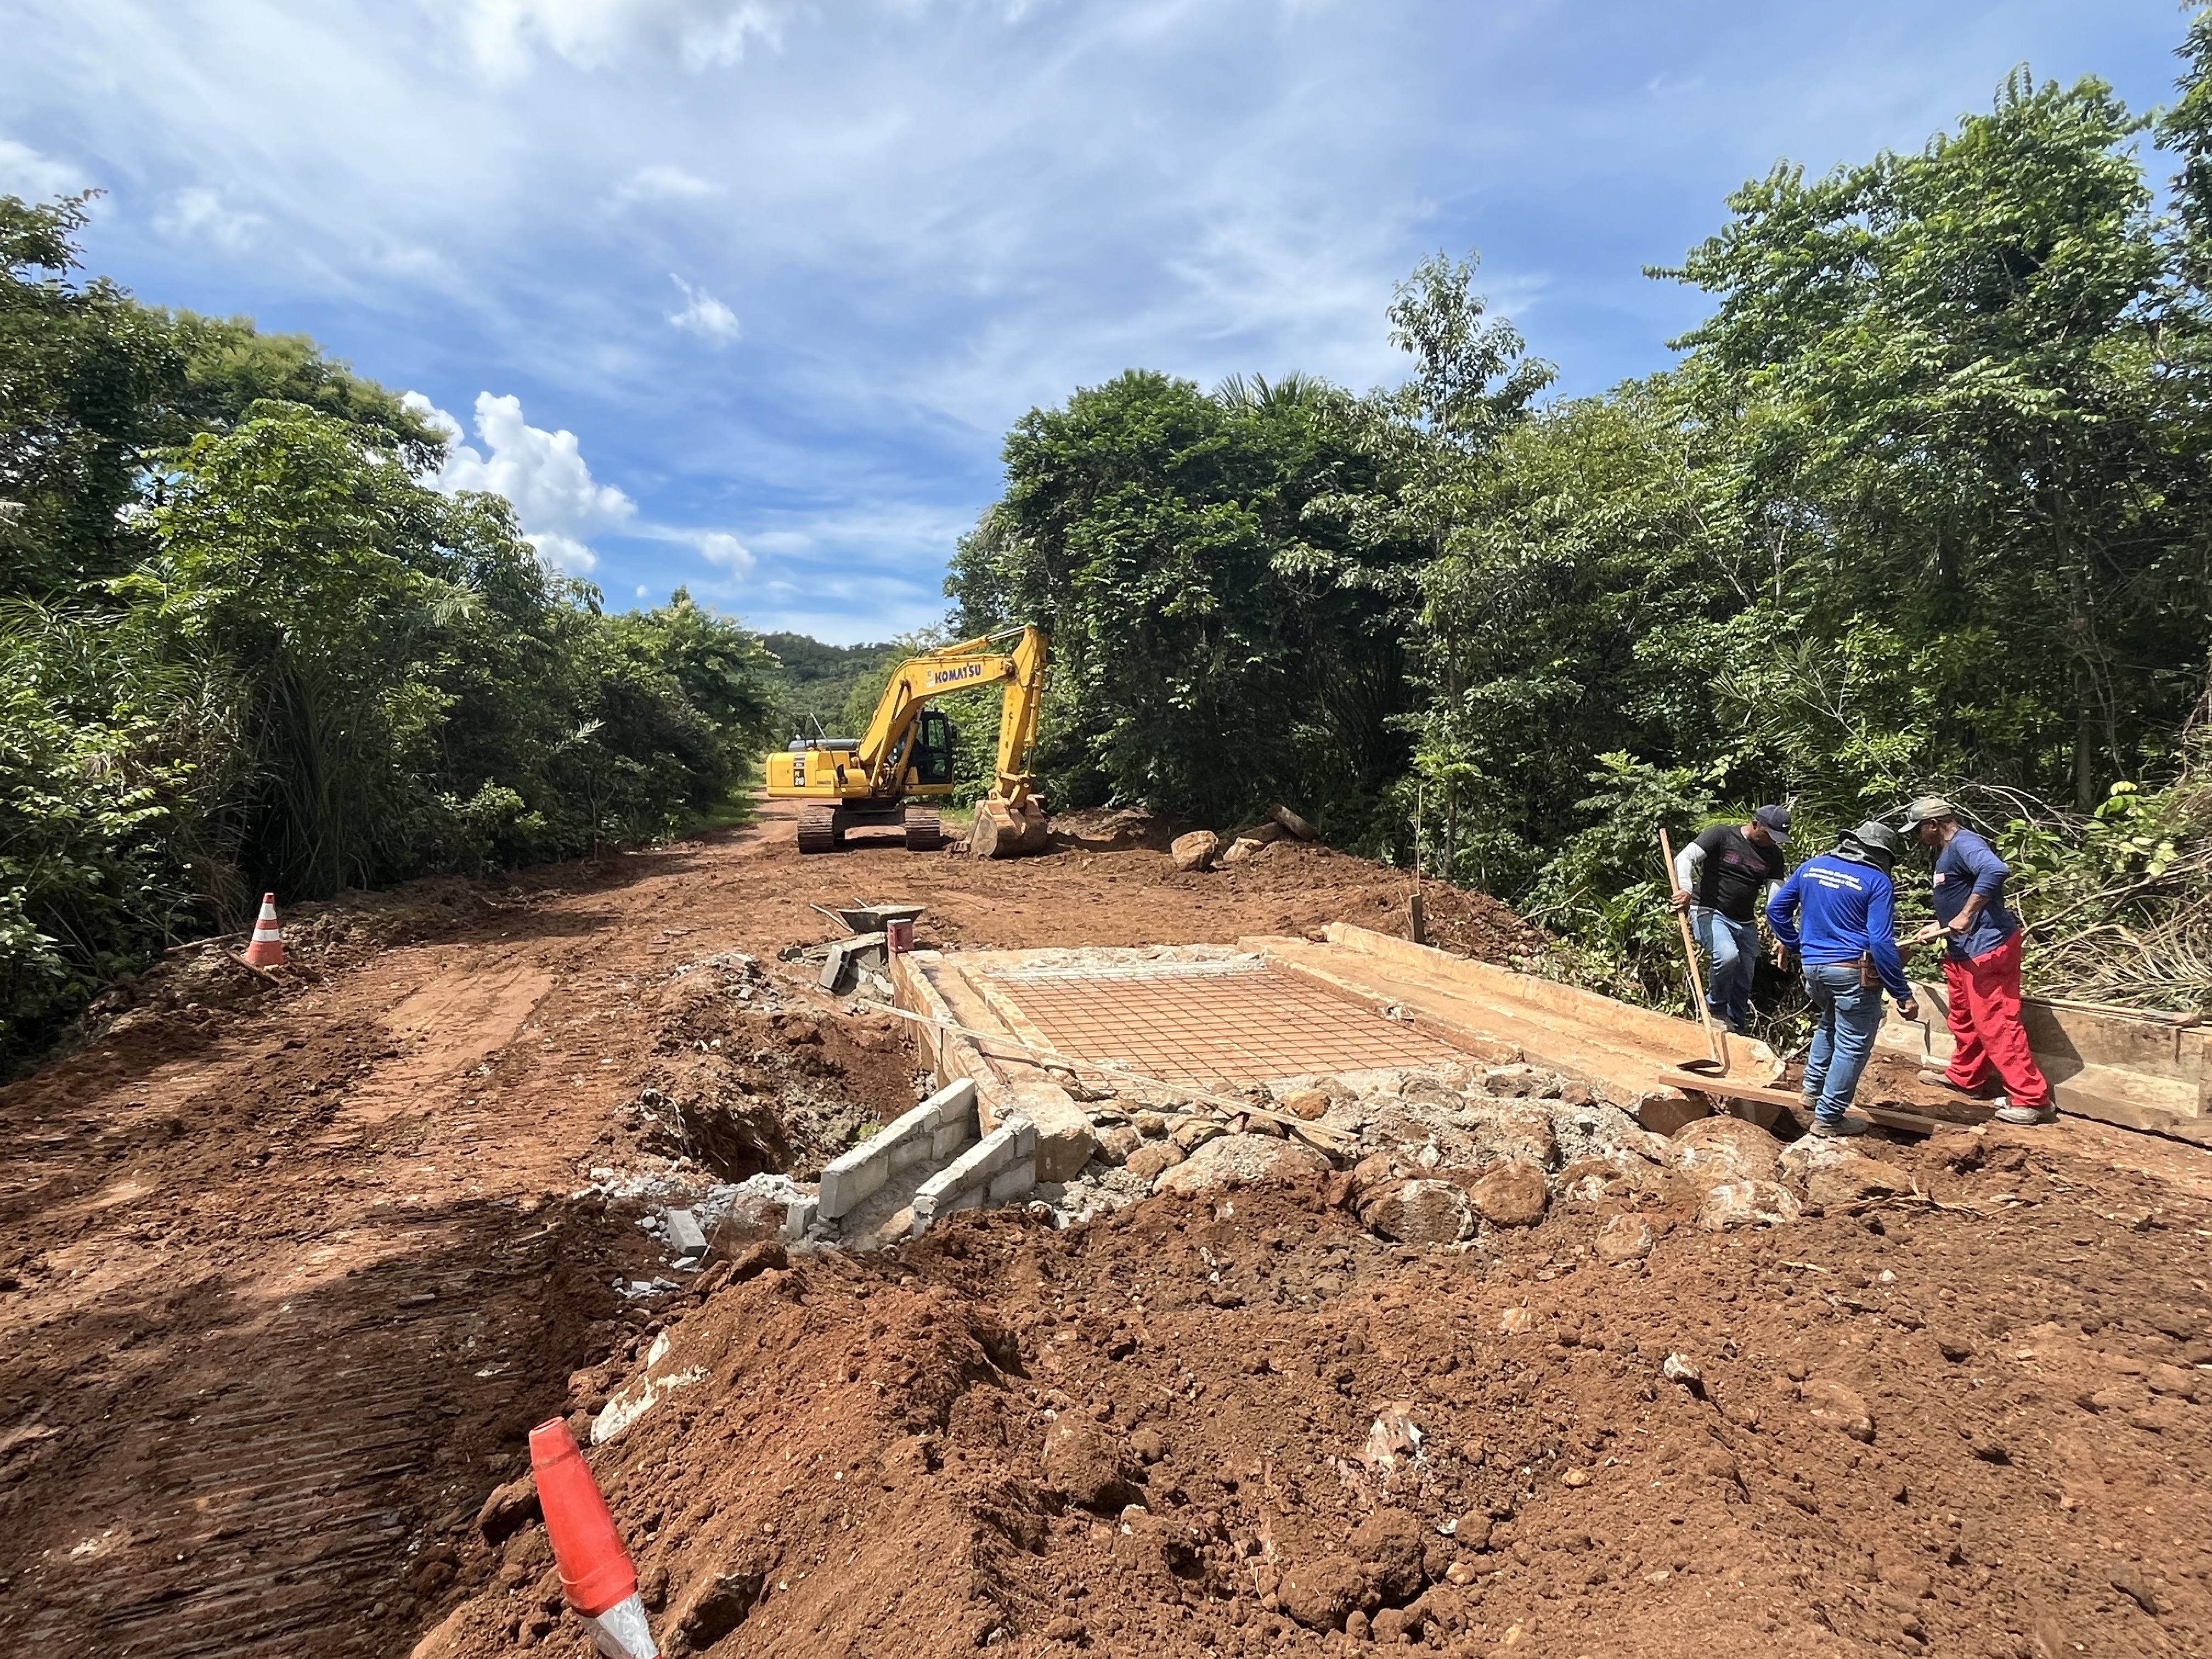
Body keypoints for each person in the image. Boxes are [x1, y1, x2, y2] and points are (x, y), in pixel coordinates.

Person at [1900, 796, 2056, 1127]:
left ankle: (2032, 1099)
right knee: (1965, 1017)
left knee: (1997, 1023)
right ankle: (1966, 1077)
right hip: (1963, 950)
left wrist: (1967, 915)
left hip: (1987, 949)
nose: (1918, 837)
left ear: (1934, 825)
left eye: (1919, 830)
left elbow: (1996, 870)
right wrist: (1940, 923)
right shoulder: (1948, 852)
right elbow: (1958, 898)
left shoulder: (1964, 844)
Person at [1765, 822, 1921, 1137]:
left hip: (1813, 969)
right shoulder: (1877, 881)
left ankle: (1812, 1092)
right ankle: (1829, 1117)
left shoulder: (1812, 867)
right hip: (1851, 972)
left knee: (1831, 1022)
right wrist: (1901, 992)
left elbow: (1776, 909)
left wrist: (1796, 944)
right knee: (1853, 1044)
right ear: (1880, 854)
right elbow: (1880, 942)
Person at [1669, 804, 1792, 1035]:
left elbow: (1776, 898)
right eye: (1770, 835)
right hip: (1709, 911)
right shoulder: (1722, 835)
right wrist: (1685, 889)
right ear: (1756, 824)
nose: (1773, 842)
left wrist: (1781, 934)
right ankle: (1715, 1009)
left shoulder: (1774, 855)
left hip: (1744, 922)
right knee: (1727, 957)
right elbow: (1685, 858)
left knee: (1744, 975)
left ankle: (1736, 1028)